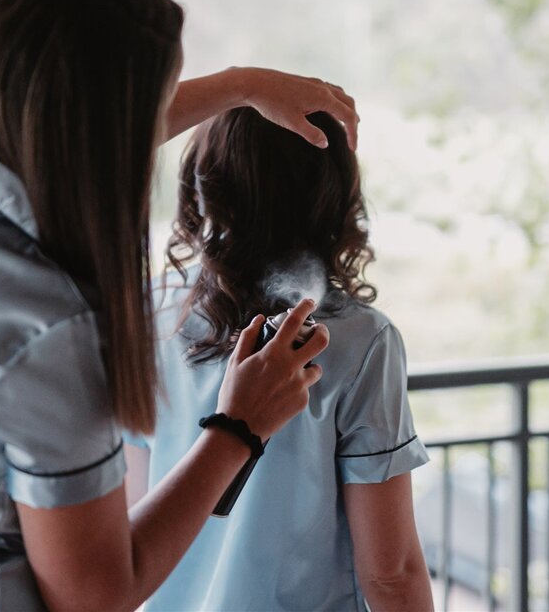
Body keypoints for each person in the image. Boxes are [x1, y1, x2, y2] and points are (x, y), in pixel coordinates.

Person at [0, 0, 361, 612]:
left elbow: (66, 126)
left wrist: (242, 86)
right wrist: (239, 427)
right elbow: (94, 595)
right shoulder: (49, 332)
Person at [125, 107, 434, 611]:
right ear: (330, 196)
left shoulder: (149, 314)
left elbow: (132, 513)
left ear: (207, 188)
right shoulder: (360, 341)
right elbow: (390, 572)